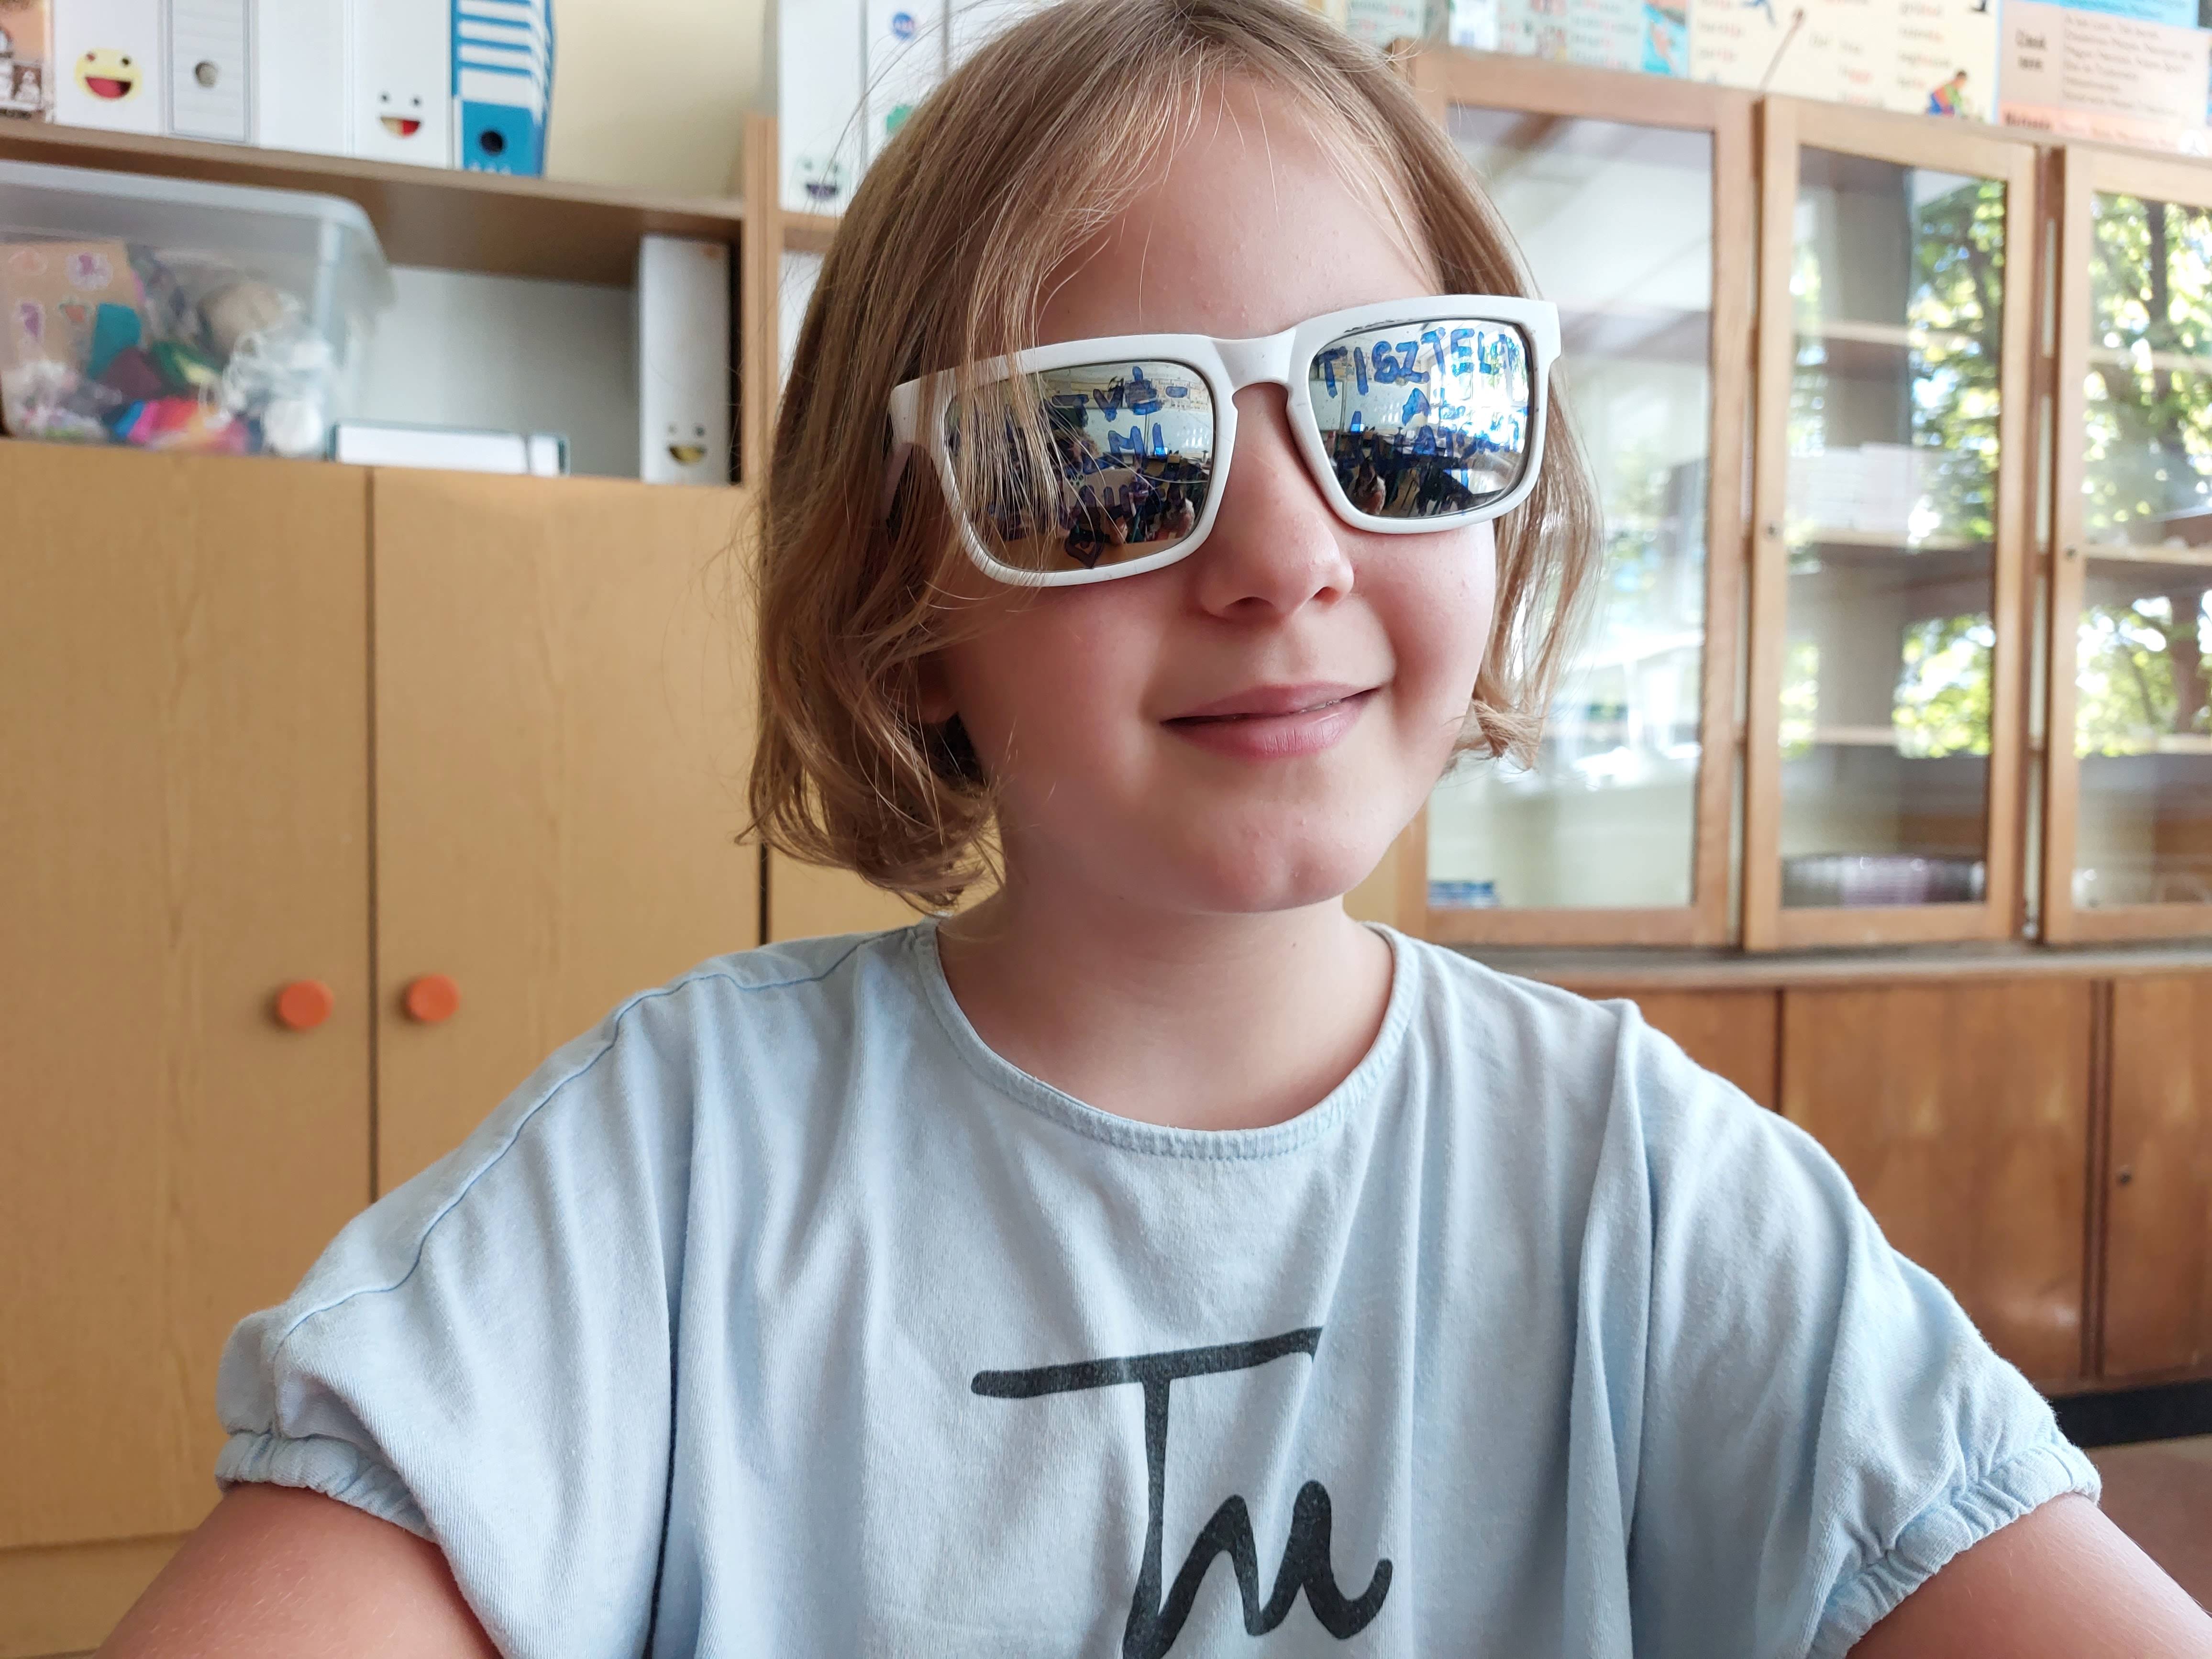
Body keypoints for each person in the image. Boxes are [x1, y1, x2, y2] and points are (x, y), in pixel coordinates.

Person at [100, 2, 2212, 1656]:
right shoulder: (660, 1178)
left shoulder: (1654, 1195)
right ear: (904, 597)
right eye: (1103, 448)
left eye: (1399, 405)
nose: (1287, 555)